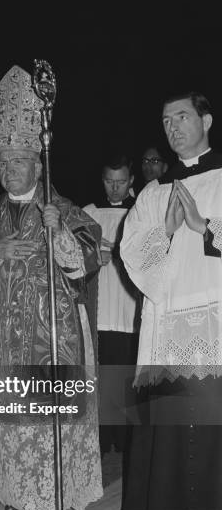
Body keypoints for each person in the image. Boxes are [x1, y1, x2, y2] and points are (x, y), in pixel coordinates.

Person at [0, 65, 103, 510]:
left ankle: (49, 495)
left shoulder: (62, 208)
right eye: (1, 163)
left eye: (16, 162)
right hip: (3, 336)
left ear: (38, 165)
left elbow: (86, 257)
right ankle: (18, 488)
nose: (7, 170)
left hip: (51, 336)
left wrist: (60, 235)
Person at [120, 92, 222, 510]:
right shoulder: (153, 192)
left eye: (182, 117)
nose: (173, 126)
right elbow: (132, 256)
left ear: (206, 120)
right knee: (190, 421)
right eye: (165, 120)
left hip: (216, 316)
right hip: (172, 321)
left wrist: (205, 227)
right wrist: (164, 230)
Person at [84, 155, 141, 456]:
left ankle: (127, 438)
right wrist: (93, 259)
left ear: (131, 181)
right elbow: (71, 259)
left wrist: (118, 255)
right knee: (100, 377)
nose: (115, 188)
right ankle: (101, 438)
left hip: (130, 310)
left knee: (128, 377)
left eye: (121, 182)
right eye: (109, 181)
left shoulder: (143, 212)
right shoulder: (87, 213)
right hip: (99, 310)